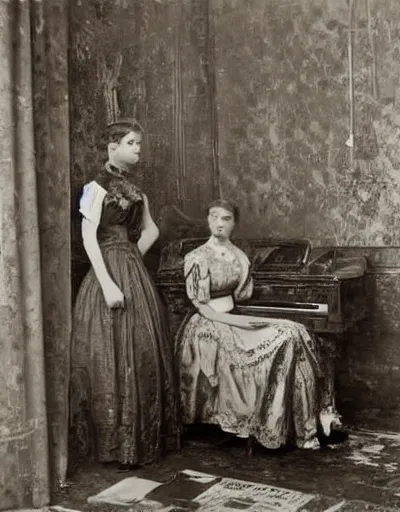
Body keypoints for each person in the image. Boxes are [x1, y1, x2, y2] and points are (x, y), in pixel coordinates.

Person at [177, 199, 342, 450]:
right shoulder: (197, 257)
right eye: (213, 217)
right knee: (286, 336)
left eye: (226, 219)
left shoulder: (239, 255)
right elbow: (202, 306)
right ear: (207, 220)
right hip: (207, 324)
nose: (219, 224)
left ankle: (315, 423)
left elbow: (243, 296)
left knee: (297, 332)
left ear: (235, 223)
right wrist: (241, 322)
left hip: (234, 315)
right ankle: (291, 426)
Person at [69, 118, 180, 472]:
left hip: (129, 269)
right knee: (107, 352)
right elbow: (88, 239)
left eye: (138, 144)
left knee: (141, 348)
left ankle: (140, 441)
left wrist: (130, 256)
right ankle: (114, 445)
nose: (137, 149)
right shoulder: (93, 188)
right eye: (131, 143)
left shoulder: (136, 190)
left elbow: (152, 230)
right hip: (107, 277)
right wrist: (110, 281)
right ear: (111, 146)